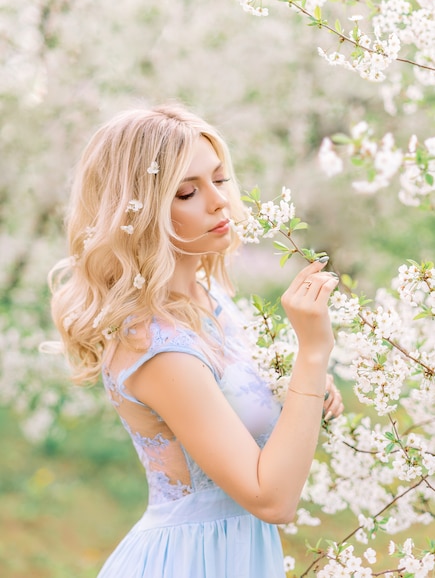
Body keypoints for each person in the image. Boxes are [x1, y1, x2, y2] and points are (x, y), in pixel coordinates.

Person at [48, 103, 343, 578]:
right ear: (137, 213)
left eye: (220, 180)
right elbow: (272, 499)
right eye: (187, 192)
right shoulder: (155, 347)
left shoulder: (213, 302)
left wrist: (301, 393)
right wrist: (312, 353)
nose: (217, 201)